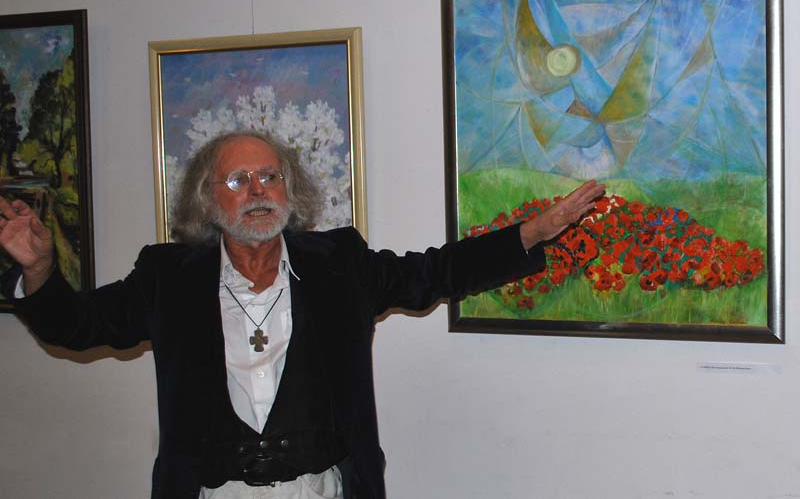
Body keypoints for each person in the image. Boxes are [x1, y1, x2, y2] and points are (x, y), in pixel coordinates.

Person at [0, 130, 605, 499]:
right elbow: (79, 327)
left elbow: (435, 273)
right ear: (208, 200)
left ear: (289, 191)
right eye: (238, 180)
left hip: (321, 489)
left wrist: (530, 233)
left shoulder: (339, 263)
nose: (258, 190)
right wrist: (41, 271)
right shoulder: (167, 278)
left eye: (270, 176)